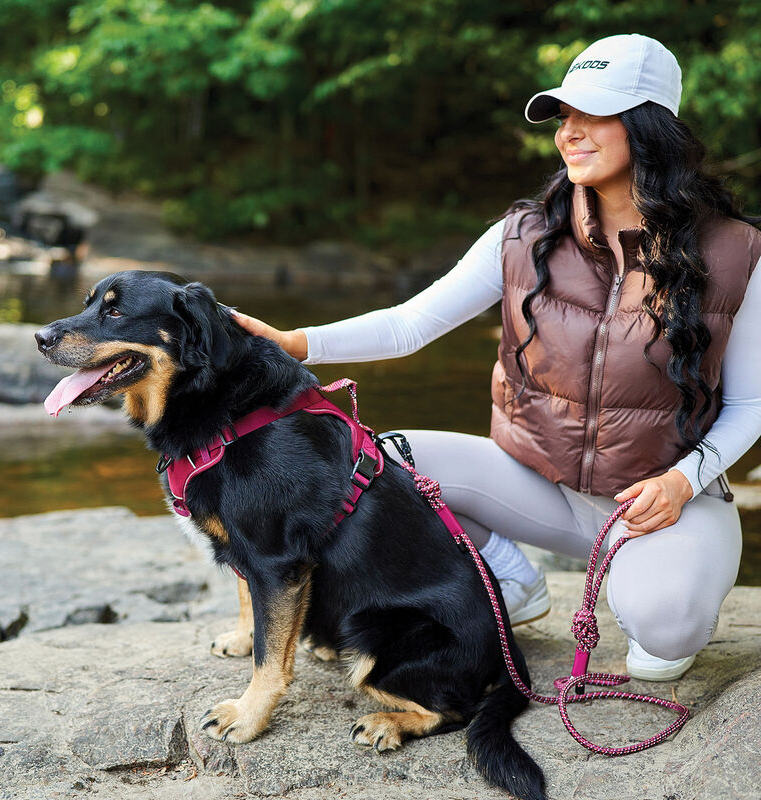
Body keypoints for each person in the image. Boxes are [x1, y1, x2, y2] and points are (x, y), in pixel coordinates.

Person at [233, 34, 761, 681]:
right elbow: (410, 325)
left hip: (661, 501)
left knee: (663, 641)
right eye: (564, 117)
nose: (571, 132)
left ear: (650, 127)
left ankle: (654, 580)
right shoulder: (524, 235)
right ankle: (510, 580)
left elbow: (750, 403)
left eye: (593, 114)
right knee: (373, 462)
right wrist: (295, 343)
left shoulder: (738, 253)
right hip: (540, 487)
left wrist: (682, 482)